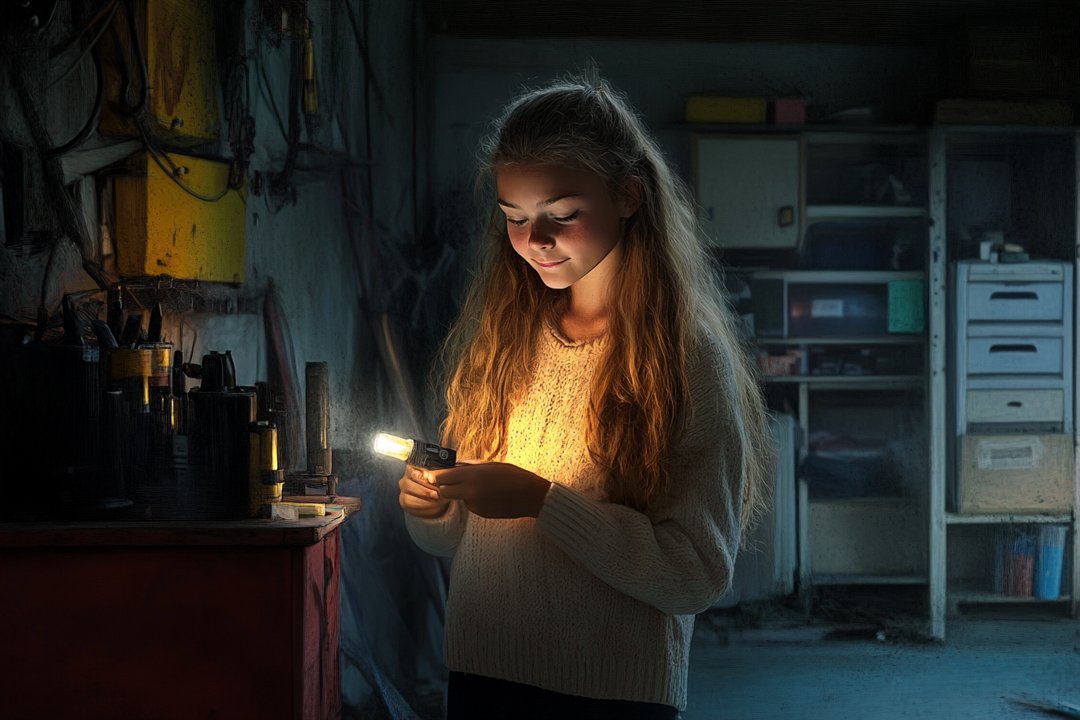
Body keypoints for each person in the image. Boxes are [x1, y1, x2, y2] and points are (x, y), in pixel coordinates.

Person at [397, 73, 773, 719]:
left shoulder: (684, 359)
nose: (534, 241)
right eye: (515, 218)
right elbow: (455, 543)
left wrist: (544, 503)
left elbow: (694, 575)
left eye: (561, 215)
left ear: (628, 195)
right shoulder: (505, 342)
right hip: (483, 674)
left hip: (612, 692)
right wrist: (432, 509)